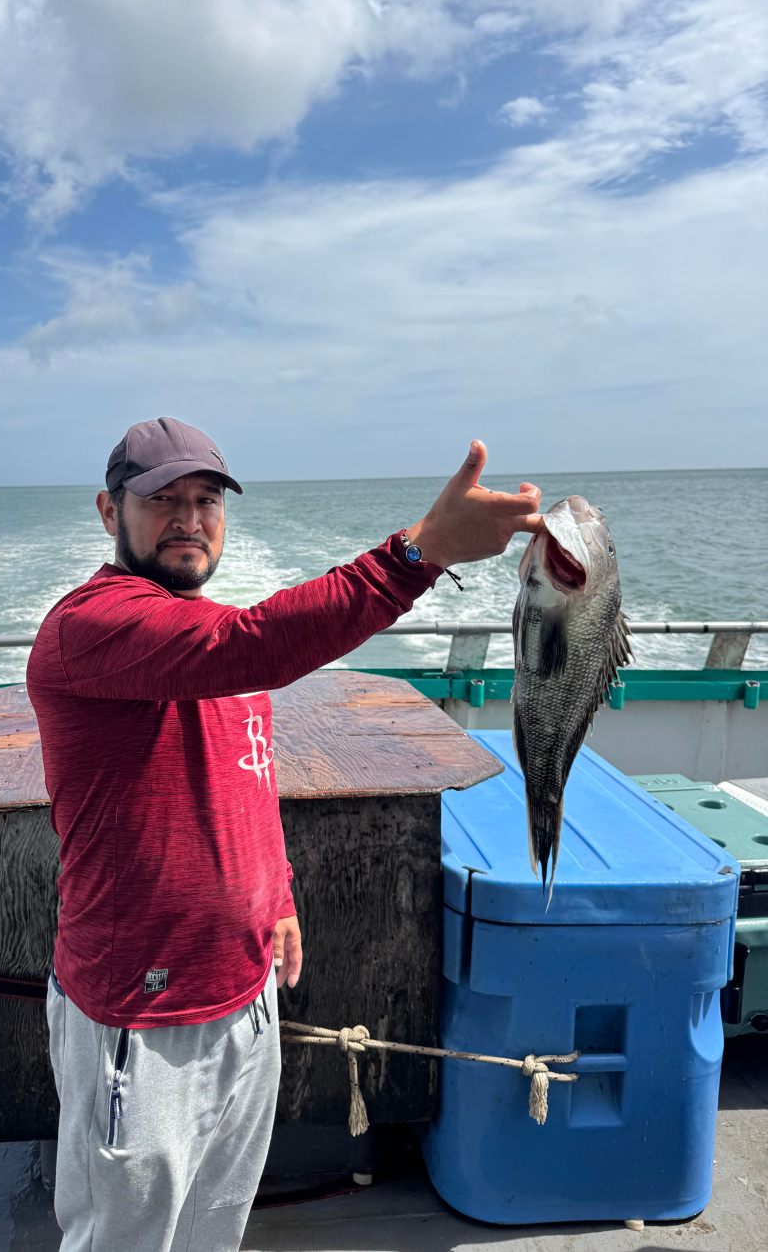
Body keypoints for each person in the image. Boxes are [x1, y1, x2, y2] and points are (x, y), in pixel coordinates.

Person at [26, 416, 542, 1252]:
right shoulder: (93, 626)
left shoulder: (220, 652)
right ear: (107, 510)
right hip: (138, 1014)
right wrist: (420, 553)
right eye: (163, 500)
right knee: (125, 1238)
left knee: (214, 1227)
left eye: (206, 500)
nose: (190, 518)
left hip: (245, 994)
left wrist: (279, 897)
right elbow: (257, 642)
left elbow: (246, 781)